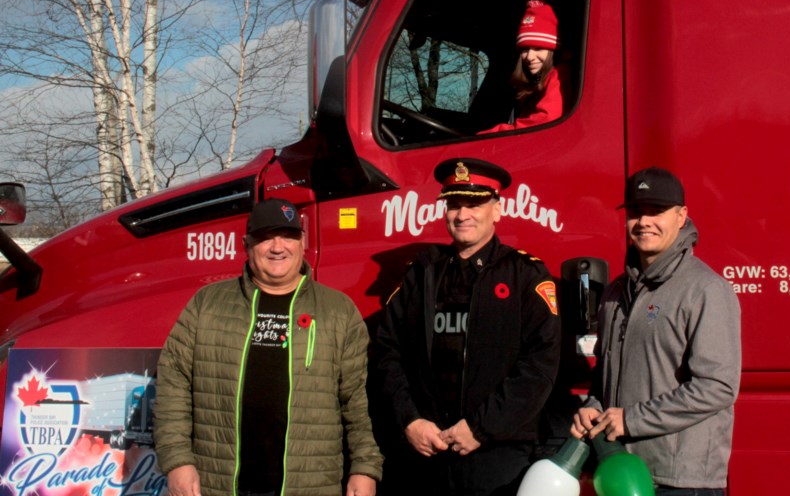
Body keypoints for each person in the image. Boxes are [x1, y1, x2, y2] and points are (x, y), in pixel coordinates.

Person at [155, 198, 382, 496]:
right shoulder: (207, 303)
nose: (278, 247)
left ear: (302, 242)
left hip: (310, 485)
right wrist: (177, 461)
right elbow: (173, 385)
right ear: (247, 244)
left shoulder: (338, 310)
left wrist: (364, 468)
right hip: (218, 483)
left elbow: (358, 400)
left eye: (288, 236)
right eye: (265, 237)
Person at [375, 158, 562, 496]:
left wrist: (480, 428)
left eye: (474, 204)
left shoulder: (525, 276)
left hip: (497, 457)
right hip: (425, 454)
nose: (463, 215)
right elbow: (388, 353)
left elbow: (540, 367)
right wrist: (410, 421)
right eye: (454, 204)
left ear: (497, 209)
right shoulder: (419, 275)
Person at [571, 167, 741, 495]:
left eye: (656, 211)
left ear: (682, 216)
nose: (644, 221)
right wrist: (592, 405)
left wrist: (632, 420)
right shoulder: (615, 294)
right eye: (636, 212)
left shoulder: (706, 289)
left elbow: (717, 386)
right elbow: (605, 378)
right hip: (622, 474)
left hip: (681, 481)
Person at [480, 0, 569, 133]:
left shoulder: (560, 76)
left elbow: (543, 122)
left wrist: (488, 137)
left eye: (538, 49)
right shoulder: (535, 82)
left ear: (553, 51)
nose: (529, 57)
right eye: (524, 50)